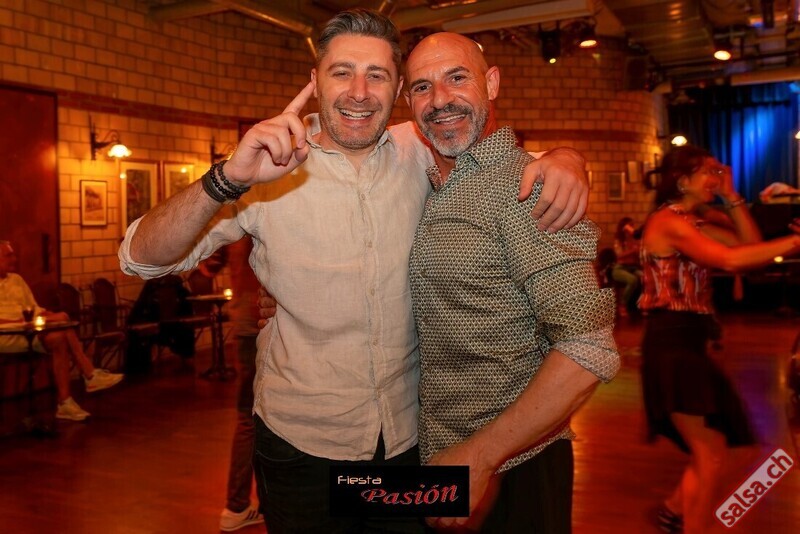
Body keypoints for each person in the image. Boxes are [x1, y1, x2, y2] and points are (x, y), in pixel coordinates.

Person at [119, 9, 589, 532]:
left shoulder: (418, 147)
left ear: (399, 91)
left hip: (407, 444)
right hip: (302, 448)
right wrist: (226, 178)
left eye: (377, 75)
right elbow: (140, 257)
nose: (359, 92)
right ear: (315, 80)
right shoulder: (265, 165)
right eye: (342, 72)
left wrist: (568, 158)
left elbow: (511, 160)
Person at [402, 33, 620, 532]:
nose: (440, 100)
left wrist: (482, 457)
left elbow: (588, 349)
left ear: (492, 83)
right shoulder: (431, 182)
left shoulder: (527, 187)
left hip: (514, 466)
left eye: (457, 78)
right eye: (422, 87)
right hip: (440, 454)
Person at [637, 145, 800, 533]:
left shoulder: (693, 222)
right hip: (671, 345)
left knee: (729, 445)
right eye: (707, 172)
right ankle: (688, 523)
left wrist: (732, 196)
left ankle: (673, 512)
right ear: (683, 181)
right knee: (709, 452)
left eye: (717, 172)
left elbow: (750, 249)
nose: (716, 178)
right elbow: (728, 260)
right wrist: (795, 243)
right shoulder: (668, 222)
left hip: (690, 345)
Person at [0, 240, 123, 421]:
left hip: (29, 331)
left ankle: (65, 402)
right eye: (8, 256)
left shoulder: (16, 280)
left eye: (13, 255)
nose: (14, 259)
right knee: (63, 324)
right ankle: (89, 374)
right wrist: (23, 321)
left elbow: (33, 308)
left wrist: (49, 315)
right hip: (6, 336)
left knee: (61, 329)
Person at [219, 238, 264, 532]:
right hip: (259, 324)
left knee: (251, 418)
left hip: (245, 324)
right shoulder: (251, 226)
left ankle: (243, 503)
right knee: (251, 419)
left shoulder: (234, 225)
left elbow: (208, 266)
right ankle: (236, 505)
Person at [611, 216, 642, 316]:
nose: (632, 228)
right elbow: (619, 255)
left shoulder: (633, 239)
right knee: (632, 280)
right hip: (620, 268)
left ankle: (639, 304)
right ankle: (622, 304)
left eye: (633, 225)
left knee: (644, 277)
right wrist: (633, 251)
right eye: (630, 225)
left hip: (633, 267)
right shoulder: (619, 240)